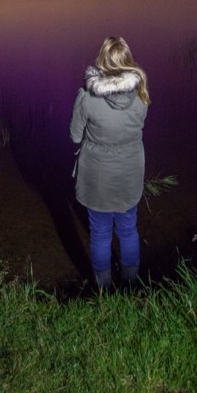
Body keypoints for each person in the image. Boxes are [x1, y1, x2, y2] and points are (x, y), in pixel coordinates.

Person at [70, 36, 150, 290]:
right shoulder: (141, 95)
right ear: (127, 62)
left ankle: (103, 289)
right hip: (129, 173)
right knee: (128, 228)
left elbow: (74, 136)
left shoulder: (86, 97)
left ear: (102, 61)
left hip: (97, 177)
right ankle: (130, 283)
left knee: (100, 233)